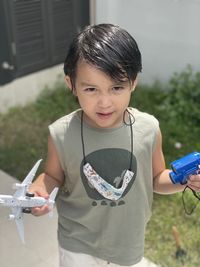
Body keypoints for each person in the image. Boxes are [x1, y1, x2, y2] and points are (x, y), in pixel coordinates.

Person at [30, 23, 200, 267]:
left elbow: (155, 179)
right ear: (71, 84)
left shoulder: (148, 129)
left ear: (133, 82)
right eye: (91, 89)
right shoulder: (61, 132)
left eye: (117, 87)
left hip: (127, 243)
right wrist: (40, 189)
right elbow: (52, 177)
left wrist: (183, 180)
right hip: (77, 242)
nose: (105, 102)